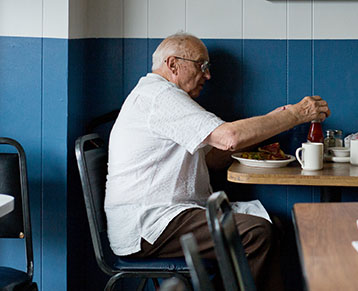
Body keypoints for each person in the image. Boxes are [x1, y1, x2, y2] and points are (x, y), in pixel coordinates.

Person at [105, 33, 330, 290]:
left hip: (168, 215)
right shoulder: (160, 97)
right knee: (256, 234)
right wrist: (295, 114)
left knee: (273, 225)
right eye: (202, 65)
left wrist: (270, 124)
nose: (208, 75)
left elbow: (213, 159)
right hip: (150, 225)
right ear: (173, 64)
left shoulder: (161, 96)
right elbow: (229, 138)